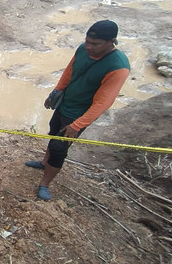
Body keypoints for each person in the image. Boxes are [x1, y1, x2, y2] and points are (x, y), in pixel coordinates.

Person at [26, 19, 130, 200]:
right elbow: (69, 71)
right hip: (65, 103)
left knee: (59, 149)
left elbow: (103, 102)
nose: (89, 47)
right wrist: (55, 92)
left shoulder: (118, 67)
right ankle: (44, 163)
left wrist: (77, 124)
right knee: (53, 132)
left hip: (78, 115)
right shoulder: (83, 49)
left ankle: (44, 183)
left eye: (95, 44)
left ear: (111, 41)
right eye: (87, 41)